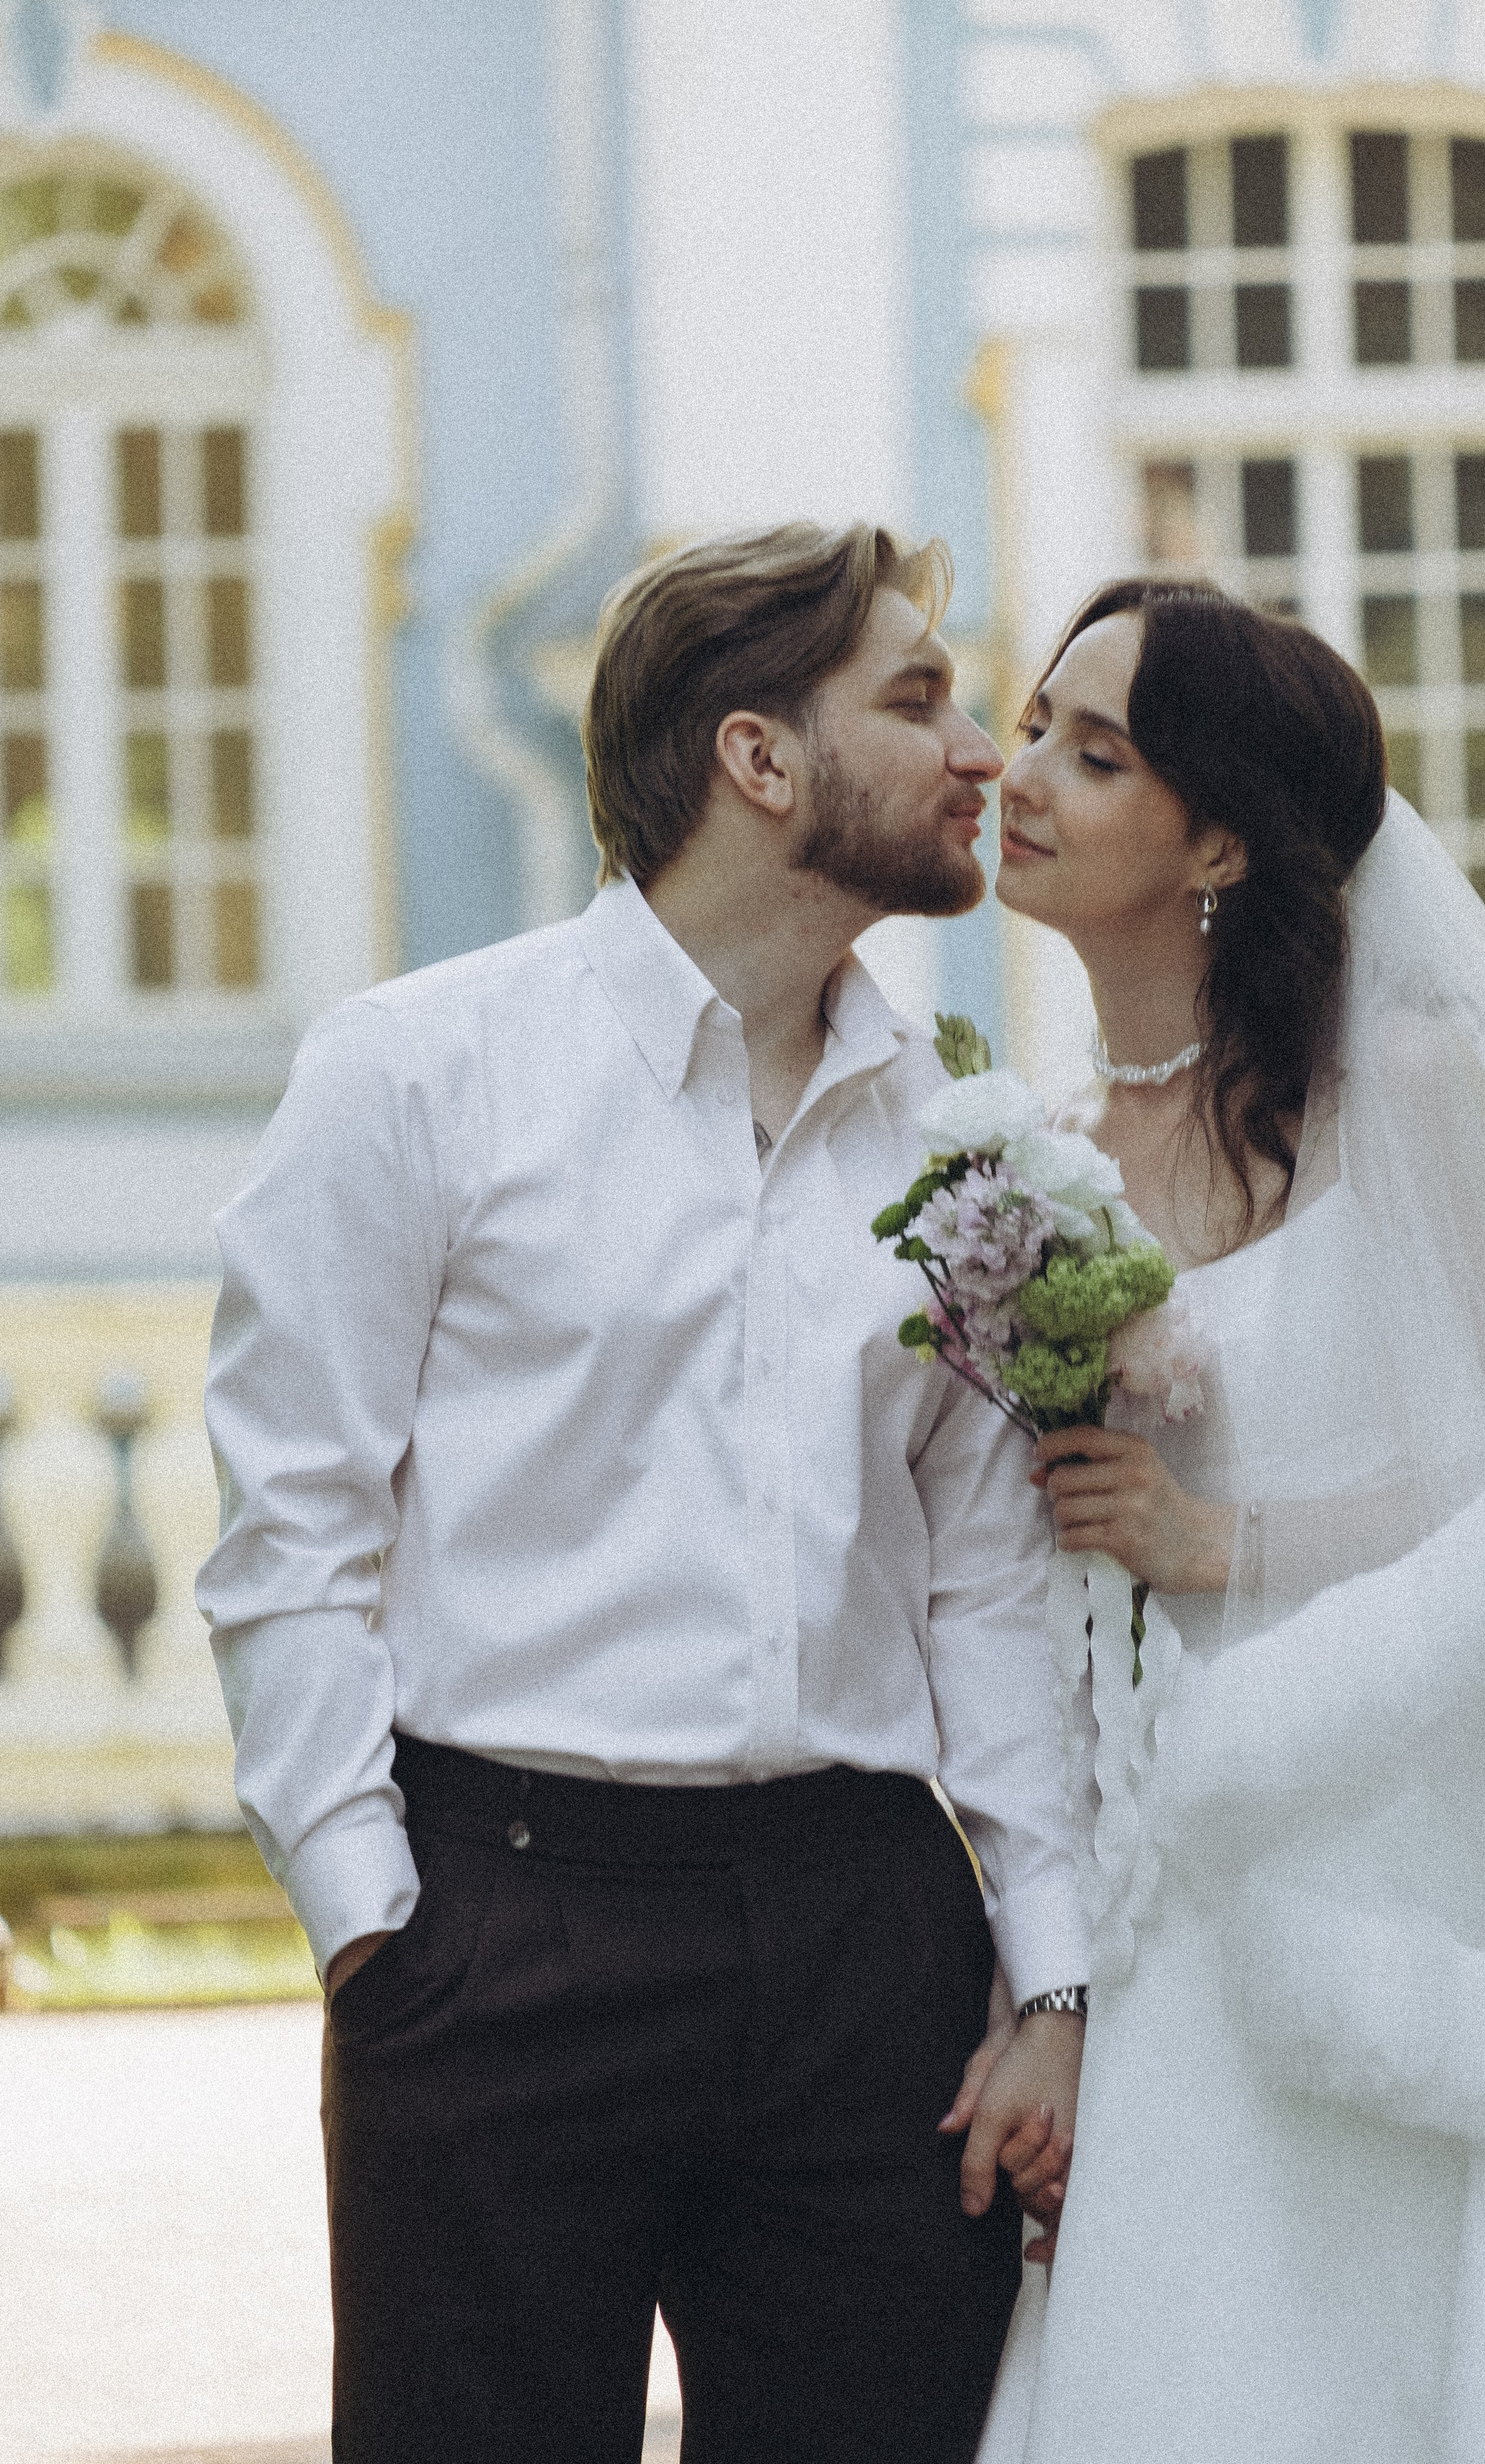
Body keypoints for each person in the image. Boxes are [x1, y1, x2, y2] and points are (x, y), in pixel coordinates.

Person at [195, 524, 1090, 2464]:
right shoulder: (415, 1077)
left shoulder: (953, 1128)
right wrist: (377, 1938)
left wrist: (1055, 1970)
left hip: (872, 1955)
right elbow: (292, 1542)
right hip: (506, 1930)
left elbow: (984, 1582)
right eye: (919, 698)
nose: (980, 755)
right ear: (761, 759)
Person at [964, 578, 1485, 2462]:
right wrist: (1056, 1977)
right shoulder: (1034, 1169)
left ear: (1223, 842)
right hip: (1171, 1867)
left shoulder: (1408, 1094)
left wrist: (1231, 1545)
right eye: (1035, 727)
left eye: (1094, 756)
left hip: (1405, 1837)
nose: (1022, 776)